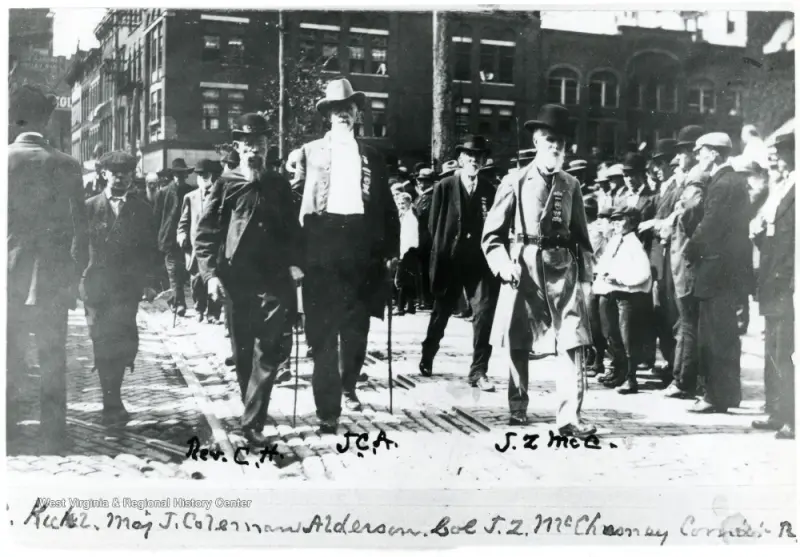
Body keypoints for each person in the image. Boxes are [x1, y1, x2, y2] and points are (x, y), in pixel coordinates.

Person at [482, 104, 595, 436]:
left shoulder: (571, 184)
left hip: (563, 269)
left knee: (574, 339)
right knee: (519, 337)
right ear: (536, 143)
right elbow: (492, 235)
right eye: (548, 140)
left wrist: (587, 277)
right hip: (525, 265)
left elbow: (582, 237)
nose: (555, 147)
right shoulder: (515, 181)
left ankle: (569, 418)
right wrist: (502, 264)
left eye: (560, 141)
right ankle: (518, 405)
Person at [295, 78, 398, 434]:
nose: (342, 114)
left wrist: (390, 252)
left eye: (348, 108)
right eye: (335, 109)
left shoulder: (371, 155)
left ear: (357, 113)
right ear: (328, 115)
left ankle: (348, 384)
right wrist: (294, 255)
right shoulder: (308, 153)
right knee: (322, 333)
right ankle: (328, 411)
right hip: (320, 248)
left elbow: (386, 208)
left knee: (355, 329)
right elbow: (295, 203)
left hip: (360, 248)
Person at [195, 113, 303, 444]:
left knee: (268, 349)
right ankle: (251, 407)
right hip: (236, 281)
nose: (254, 151)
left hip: (273, 281)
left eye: (260, 144)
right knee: (242, 352)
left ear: (269, 147)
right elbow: (205, 235)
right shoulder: (226, 185)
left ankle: (253, 422)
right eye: (248, 145)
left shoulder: (280, 186)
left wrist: (298, 264)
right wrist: (210, 275)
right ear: (238, 148)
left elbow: (292, 233)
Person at [7, 84, 89, 451]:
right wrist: (71, 282)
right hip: (52, 281)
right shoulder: (67, 164)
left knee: (7, 355)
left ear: (13, 118)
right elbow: (80, 234)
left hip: (8, 277)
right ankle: (53, 433)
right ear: (46, 118)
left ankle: (5, 429)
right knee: (53, 358)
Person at [82, 151, 159, 425]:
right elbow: (77, 248)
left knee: (124, 344)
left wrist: (149, 282)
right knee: (102, 342)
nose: (121, 178)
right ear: (104, 174)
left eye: (126, 173)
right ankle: (110, 400)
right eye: (115, 173)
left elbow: (151, 250)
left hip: (126, 291)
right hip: (96, 289)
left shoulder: (142, 209)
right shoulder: (89, 207)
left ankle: (114, 395)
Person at [420, 134, 499, 391]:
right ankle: (428, 354)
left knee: (484, 313)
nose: (474, 160)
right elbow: (434, 224)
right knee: (441, 312)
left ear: (483, 161)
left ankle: (478, 371)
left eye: (478, 157)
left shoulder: (490, 189)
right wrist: (442, 252)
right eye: (469, 156)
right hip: (450, 261)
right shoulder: (444, 186)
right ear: (461, 159)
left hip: (479, 263)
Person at [685, 132, 752, 414]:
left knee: (712, 335)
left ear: (713, 153)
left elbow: (711, 223)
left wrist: (691, 246)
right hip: (728, 269)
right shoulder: (732, 181)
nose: (697, 156)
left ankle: (715, 396)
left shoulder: (722, 184)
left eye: (701, 151)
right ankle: (727, 394)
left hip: (716, 269)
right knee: (724, 334)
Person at [751, 132, 794, 439]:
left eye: (781, 151)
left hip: (786, 279)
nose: (775, 157)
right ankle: (776, 411)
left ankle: (791, 416)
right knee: (771, 348)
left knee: (784, 350)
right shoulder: (780, 185)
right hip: (771, 276)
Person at [592, 205, 653, 393]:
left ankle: (630, 378)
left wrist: (619, 279)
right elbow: (604, 263)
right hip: (613, 293)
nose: (616, 223)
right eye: (614, 220)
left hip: (629, 295)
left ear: (633, 223)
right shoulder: (615, 241)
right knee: (612, 334)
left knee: (629, 339)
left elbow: (643, 274)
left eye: (621, 220)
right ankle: (619, 370)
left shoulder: (634, 245)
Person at [177, 158, 224, 323]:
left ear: (212, 176)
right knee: (197, 280)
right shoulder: (190, 197)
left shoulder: (219, 196)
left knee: (214, 277)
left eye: (206, 175)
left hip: (213, 247)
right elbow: (183, 222)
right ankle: (199, 309)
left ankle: (214, 313)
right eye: (200, 175)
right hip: (195, 247)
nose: (203, 178)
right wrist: (181, 236)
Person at [154, 158, 196, 316]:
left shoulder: (192, 192)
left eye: (183, 174)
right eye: (177, 174)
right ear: (173, 175)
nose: (180, 177)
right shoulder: (163, 193)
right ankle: (180, 304)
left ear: (186, 175)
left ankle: (173, 299)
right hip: (169, 238)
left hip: (187, 238)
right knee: (173, 272)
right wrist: (158, 238)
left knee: (184, 272)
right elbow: (157, 218)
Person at [584, 196, 609, 377]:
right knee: (585, 319)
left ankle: (599, 360)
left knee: (594, 321)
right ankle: (591, 355)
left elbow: (585, 249)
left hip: (595, 278)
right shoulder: (584, 228)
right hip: (584, 277)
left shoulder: (595, 230)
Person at [413, 167, 437, 310]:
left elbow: (423, 215)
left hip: (427, 238)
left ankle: (428, 300)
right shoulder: (421, 197)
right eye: (420, 180)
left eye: (425, 181)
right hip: (420, 237)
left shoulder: (431, 197)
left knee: (426, 269)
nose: (421, 183)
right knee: (421, 269)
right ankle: (424, 299)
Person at [395, 192, 420, 315]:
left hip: (408, 251)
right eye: (399, 203)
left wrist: (402, 254)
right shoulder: (403, 216)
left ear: (409, 203)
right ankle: (410, 307)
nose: (401, 205)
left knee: (401, 280)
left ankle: (400, 307)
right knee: (409, 280)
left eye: (403, 203)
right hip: (407, 251)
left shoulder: (410, 218)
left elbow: (408, 237)